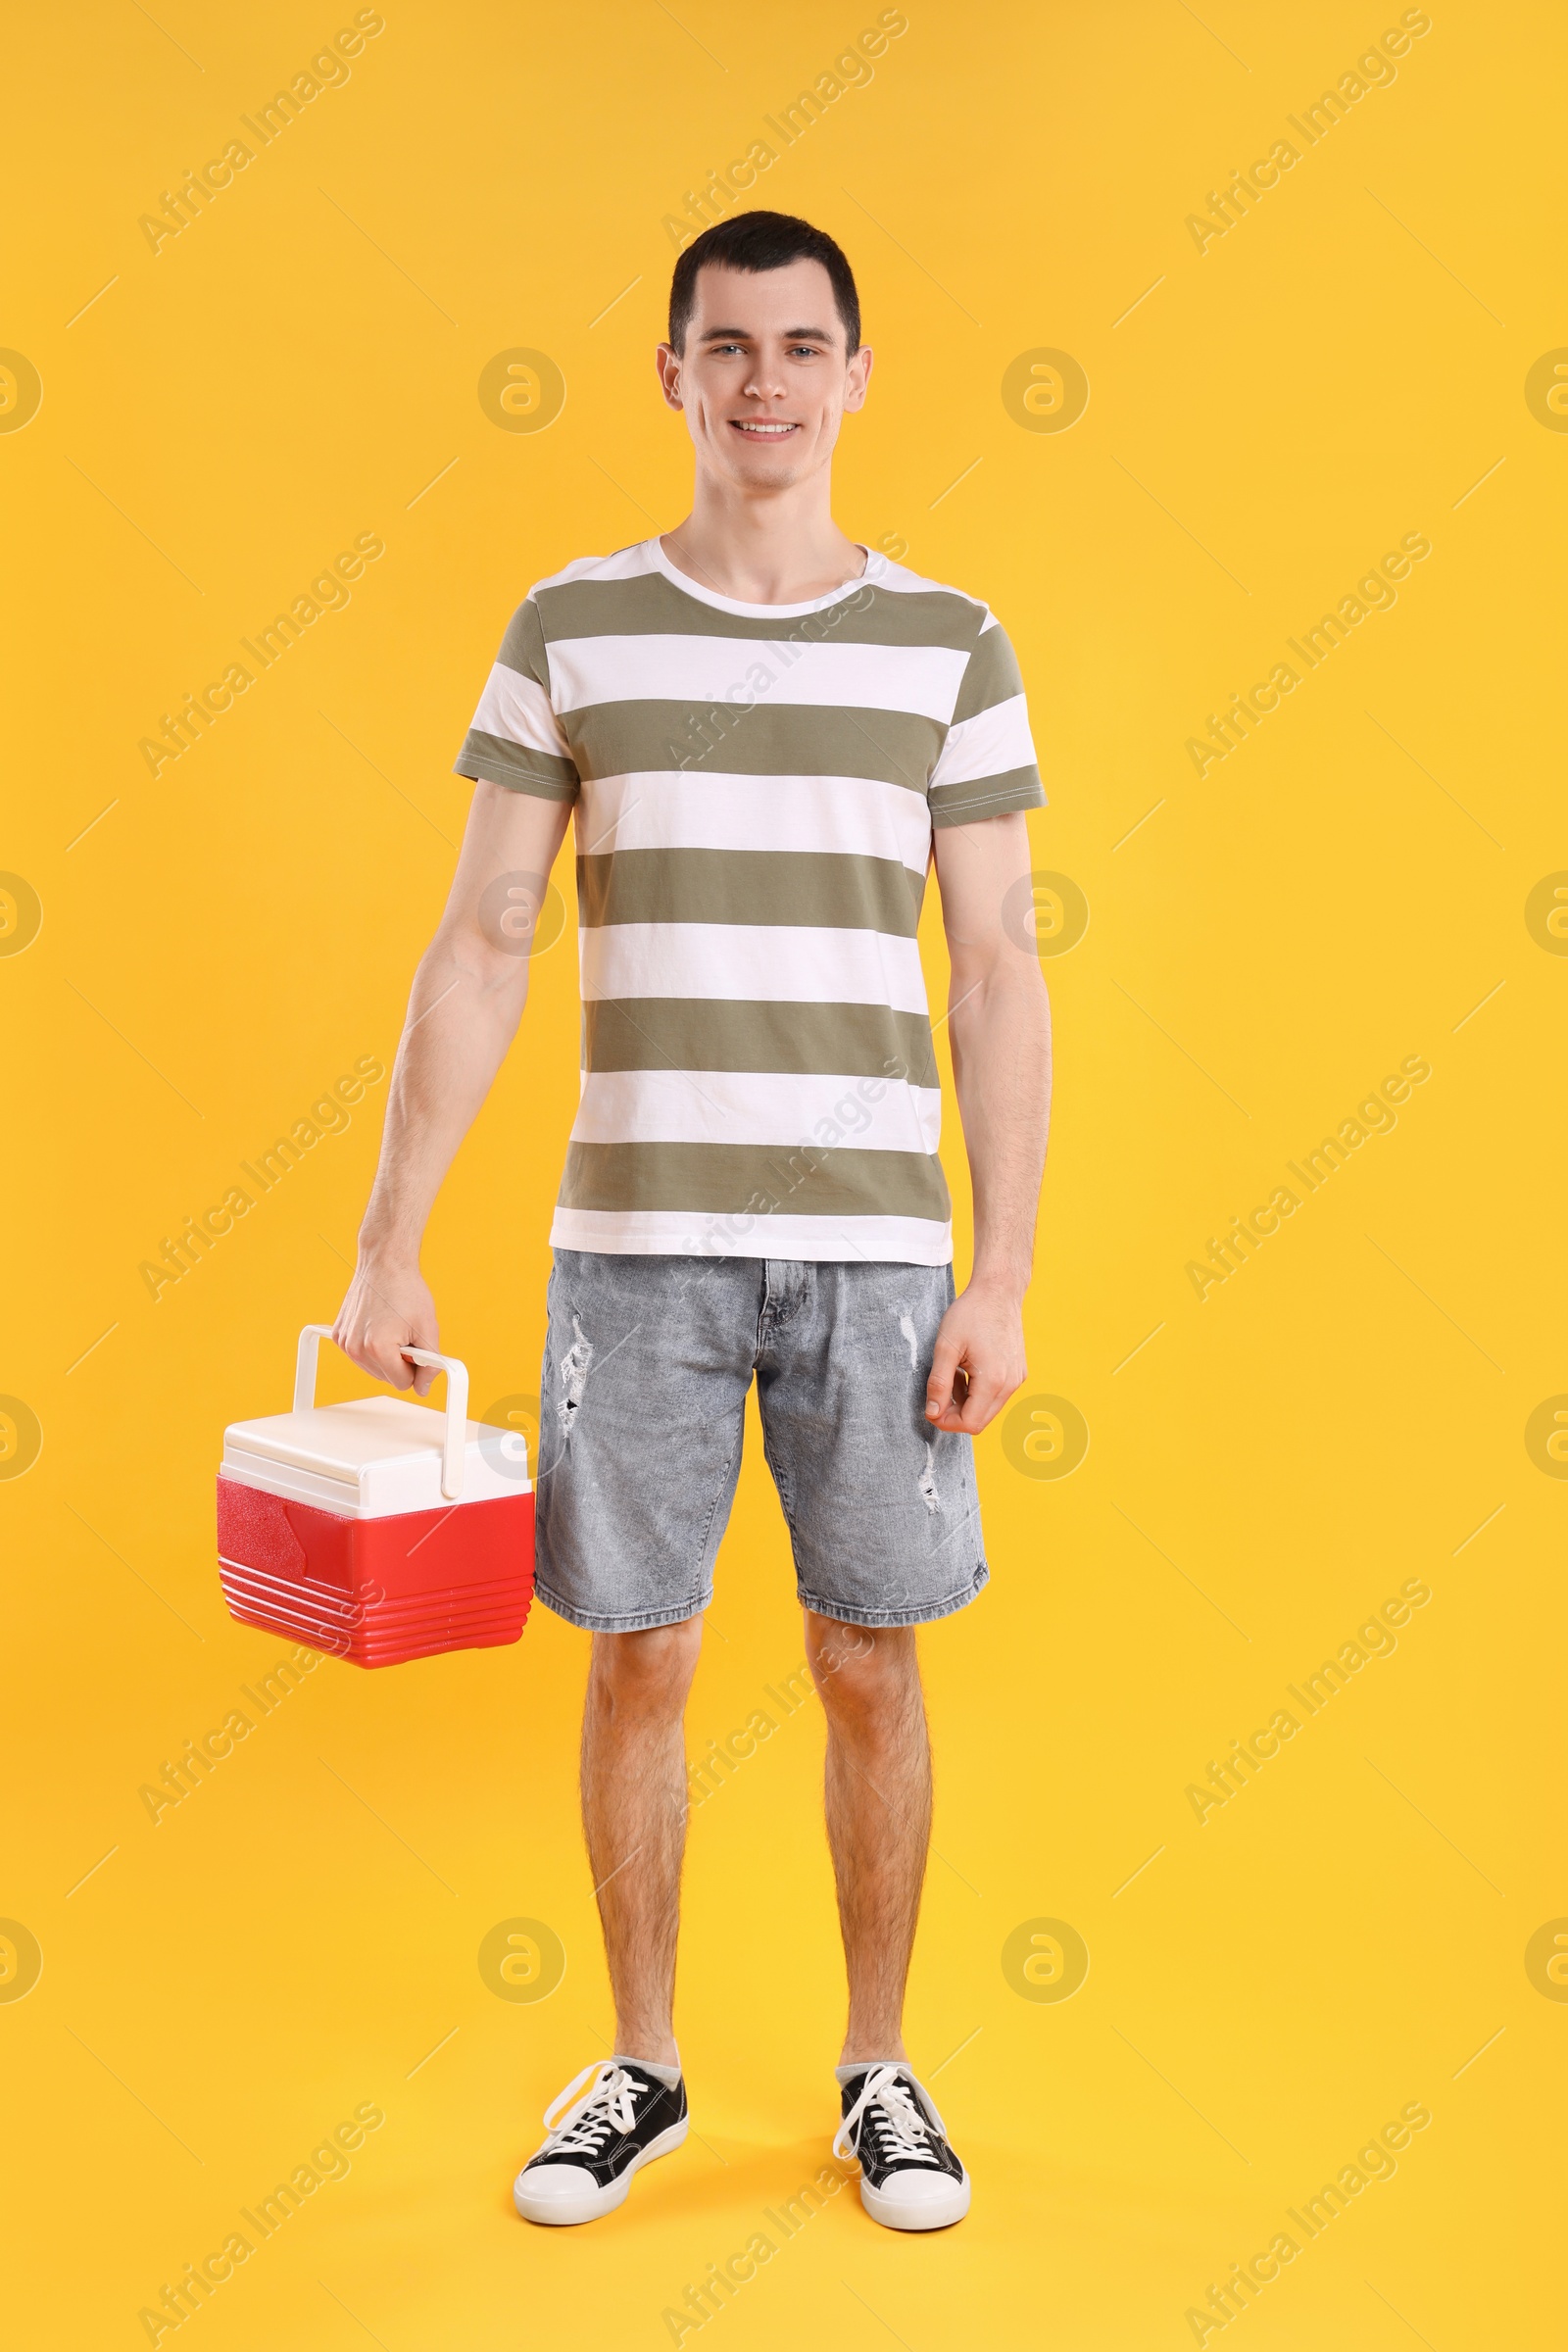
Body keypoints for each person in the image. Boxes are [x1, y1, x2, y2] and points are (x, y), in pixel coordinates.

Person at [332, 209, 1052, 2233]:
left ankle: (874, 2070)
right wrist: (389, 1236)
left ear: (851, 376)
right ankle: (639, 2065)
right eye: (723, 348)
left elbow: (993, 965)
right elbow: (482, 936)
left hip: (876, 1251)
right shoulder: (572, 624)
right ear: (669, 374)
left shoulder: (949, 642)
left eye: (798, 347)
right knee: (635, 1654)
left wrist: (995, 1268)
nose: (761, 383)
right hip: (628, 1248)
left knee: (866, 1659)